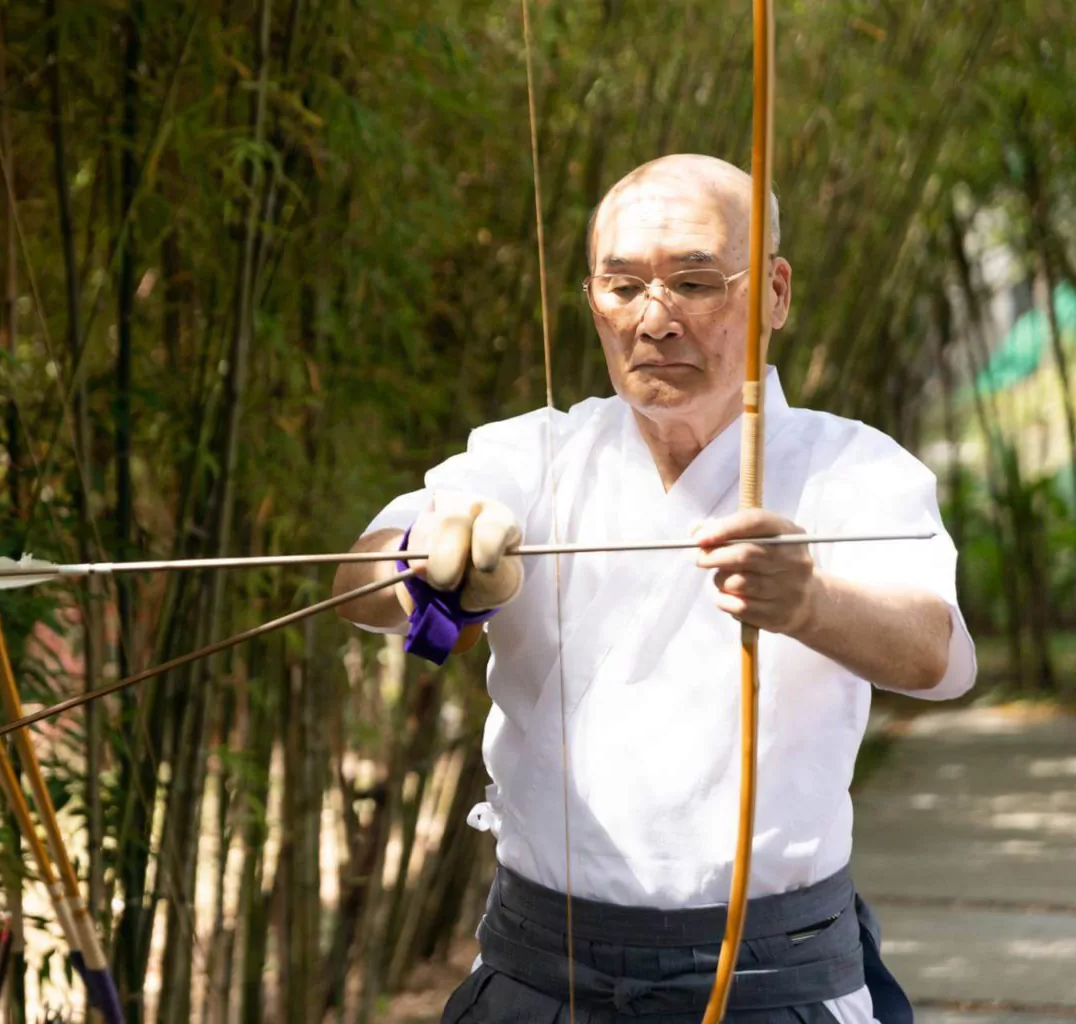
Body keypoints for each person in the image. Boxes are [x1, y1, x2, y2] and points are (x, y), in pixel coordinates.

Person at [332, 154, 976, 1024]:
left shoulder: (851, 466)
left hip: (769, 978)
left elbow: (940, 657)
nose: (656, 319)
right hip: (542, 969)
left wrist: (811, 601)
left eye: (696, 283)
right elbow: (360, 582)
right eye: (622, 284)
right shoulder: (530, 454)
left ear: (776, 294)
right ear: (590, 298)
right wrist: (427, 561)